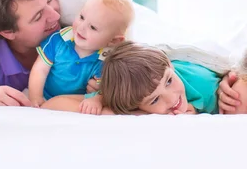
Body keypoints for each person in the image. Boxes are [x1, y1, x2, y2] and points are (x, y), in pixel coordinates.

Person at [42, 41, 221, 115]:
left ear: (169, 64)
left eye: (168, 81)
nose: (172, 97)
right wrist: (101, 101)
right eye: (155, 99)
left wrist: (197, 112)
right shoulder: (128, 91)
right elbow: (52, 104)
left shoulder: (203, 82)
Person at [28, 0, 134, 110]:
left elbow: (105, 91)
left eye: (93, 27)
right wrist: (35, 97)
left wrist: (96, 99)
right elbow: (39, 70)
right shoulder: (58, 39)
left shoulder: (105, 61)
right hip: (45, 96)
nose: (81, 27)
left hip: (74, 102)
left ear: (114, 41)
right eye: (82, 17)